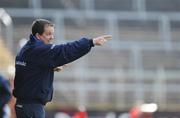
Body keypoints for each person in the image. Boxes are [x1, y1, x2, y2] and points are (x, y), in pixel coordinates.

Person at [13, 18, 112, 118]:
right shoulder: (38, 49)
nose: (52, 37)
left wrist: (50, 68)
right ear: (38, 36)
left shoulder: (26, 49)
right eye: (48, 34)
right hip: (31, 108)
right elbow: (64, 50)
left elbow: (31, 69)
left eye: (52, 34)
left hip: (25, 106)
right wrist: (91, 42)